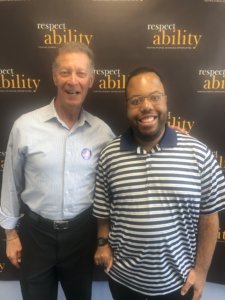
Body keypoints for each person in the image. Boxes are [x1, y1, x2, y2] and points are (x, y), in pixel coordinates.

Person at [93, 67, 225, 300]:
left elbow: (209, 216)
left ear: (166, 101)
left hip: (178, 284)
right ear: (127, 107)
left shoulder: (198, 154)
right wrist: (103, 243)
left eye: (154, 97)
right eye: (136, 100)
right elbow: (103, 209)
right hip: (123, 282)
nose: (146, 106)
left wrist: (202, 272)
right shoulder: (109, 154)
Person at [0, 42, 114, 300]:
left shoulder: (103, 133)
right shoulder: (25, 126)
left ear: (91, 79)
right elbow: (10, 183)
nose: (73, 80)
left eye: (81, 73)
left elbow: (126, 162)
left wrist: (165, 136)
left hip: (81, 236)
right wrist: (10, 235)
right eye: (65, 72)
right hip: (35, 236)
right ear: (54, 76)